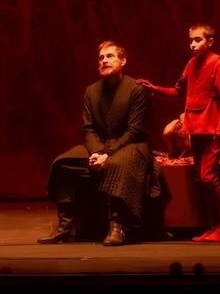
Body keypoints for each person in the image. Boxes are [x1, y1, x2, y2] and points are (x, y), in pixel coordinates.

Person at [38, 41, 159, 246]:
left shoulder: (136, 89)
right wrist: (97, 152)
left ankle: (118, 227)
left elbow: (135, 131)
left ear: (123, 60)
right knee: (63, 163)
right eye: (101, 58)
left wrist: (107, 154)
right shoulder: (91, 91)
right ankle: (65, 226)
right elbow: (89, 128)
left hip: (132, 145)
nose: (104, 61)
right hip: (101, 145)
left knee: (117, 164)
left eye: (110, 56)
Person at [138, 23, 220, 243]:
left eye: (198, 40)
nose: (192, 44)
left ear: (210, 41)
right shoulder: (192, 64)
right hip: (196, 130)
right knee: (203, 179)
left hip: (212, 131)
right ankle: (213, 227)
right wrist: (154, 88)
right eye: (191, 40)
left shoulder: (219, 64)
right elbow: (178, 91)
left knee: (208, 177)